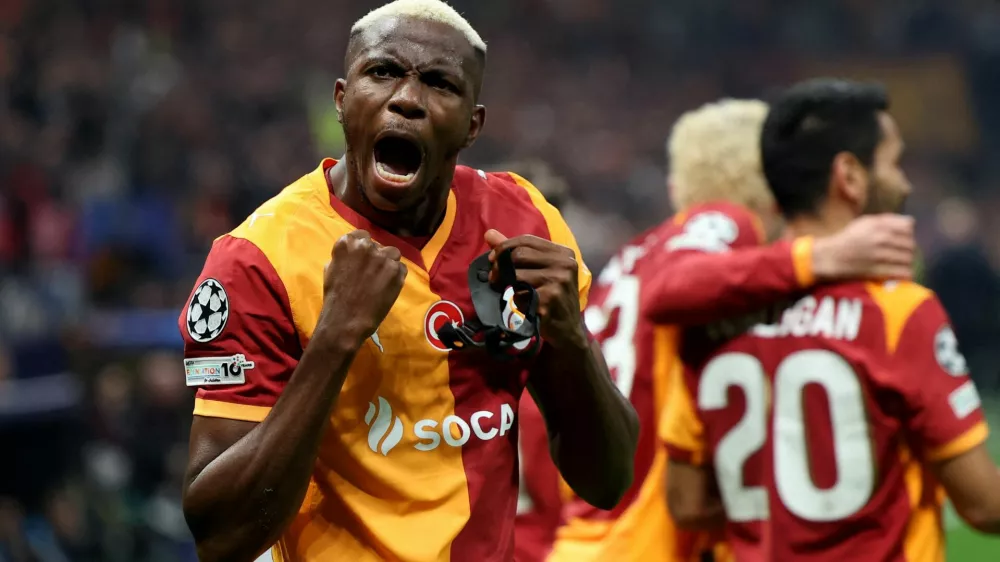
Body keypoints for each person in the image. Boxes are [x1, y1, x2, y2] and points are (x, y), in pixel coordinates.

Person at [177, 2, 639, 561]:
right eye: (383, 72)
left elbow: (608, 482)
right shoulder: (257, 259)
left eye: (440, 83)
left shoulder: (523, 222)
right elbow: (220, 538)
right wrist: (333, 341)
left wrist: (569, 339)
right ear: (343, 100)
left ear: (473, 124)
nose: (407, 99)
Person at [541, 99, 918, 562]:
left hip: (590, 534)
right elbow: (671, 291)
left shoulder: (639, 251)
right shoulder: (723, 220)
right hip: (640, 539)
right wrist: (819, 257)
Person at [662, 78, 1000, 562]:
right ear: (850, 176)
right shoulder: (897, 311)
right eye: (893, 162)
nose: (904, 182)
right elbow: (985, 507)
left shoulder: (711, 321)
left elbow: (687, 504)